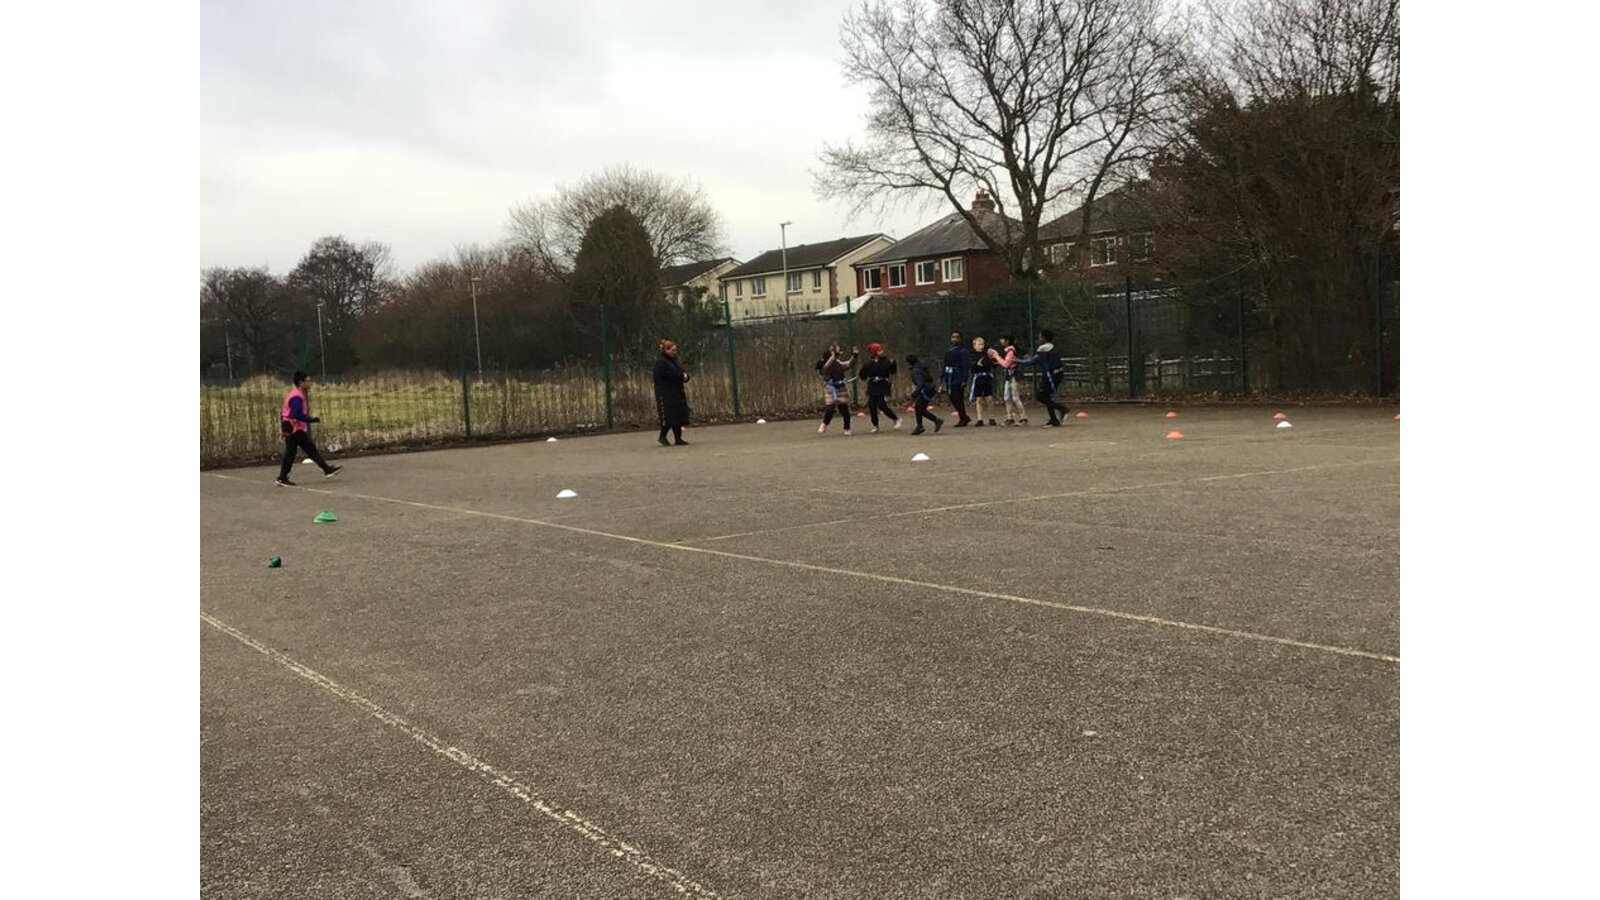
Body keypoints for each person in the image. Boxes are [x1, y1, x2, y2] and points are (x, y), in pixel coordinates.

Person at [276, 371, 341, 486]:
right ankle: (282, 478)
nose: (310, 383)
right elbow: (296, 414)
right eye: (308, 381)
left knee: (309, 450)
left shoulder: (297, 394)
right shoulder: (296, 396)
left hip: (295, 428)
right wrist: (311, 419)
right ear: (301, 382)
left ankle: (326, 469)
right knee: (293, 453)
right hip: (293, 428)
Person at [1020, 329, 1070, 426]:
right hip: (1058, 374)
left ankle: (1062, 408)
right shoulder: (1052, 347)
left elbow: (1032, 362)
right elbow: (1038, 359)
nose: (1038, 339)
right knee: (1046, 397)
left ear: (1044, 338)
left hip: (1050, 376)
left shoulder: (1043, 348)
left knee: (1040, 396)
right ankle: (1054, 419)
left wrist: (1016, 360)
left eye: (1040, 337)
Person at [653, 338, 691, 445]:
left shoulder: (674, 361)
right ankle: (662, 436)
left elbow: (682, 372)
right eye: (672, 350)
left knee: (678, 416)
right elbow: (667, 375)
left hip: (677, 392)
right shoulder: (661, 363)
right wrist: (681, 376)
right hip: (666, 394)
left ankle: (678, 438)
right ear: (665, 350)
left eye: (675, 350)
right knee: (669, 416)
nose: (674, 352)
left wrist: (686, 376)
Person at [858, 342, 901, 433]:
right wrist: (863, 370)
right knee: (872, 405)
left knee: (881, 404)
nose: (881, 352)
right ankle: (875, 425)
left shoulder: (885, 361)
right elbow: (863, 376)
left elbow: (892, 371)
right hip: (872, 386)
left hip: (883, 385)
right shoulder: (868, 363)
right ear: (874, 352)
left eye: (881, 350)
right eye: (879, 350)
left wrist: (893, 364)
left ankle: (896, 419)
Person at [816, 344, 858, 435]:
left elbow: (848, 364)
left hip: (841, 388)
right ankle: (824, 424)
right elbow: (827, 366)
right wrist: (834, 355)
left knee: (844, 410)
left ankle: (847, 428)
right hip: (831, 390)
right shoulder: (824, 367)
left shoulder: (838, 364)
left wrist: (854, 356)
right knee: (830, 409)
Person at [989, 335, 1028, 425]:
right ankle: (1009, 417)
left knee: (1015, 397)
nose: (1001, 341)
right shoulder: (1006, 351)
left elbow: (1006, 364)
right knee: (1007, 397)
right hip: (1008, 376)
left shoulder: (1011, 351)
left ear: (1007, 341)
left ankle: (1023, 418)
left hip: (1014, 376)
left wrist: (996, 356)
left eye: (1003, 339)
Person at [905, 354, 944, 434]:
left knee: (919, 407)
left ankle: (922, 426)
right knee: (920, 408)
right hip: (930, 388)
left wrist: (915, 393)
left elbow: (920, 383)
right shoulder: (921, 366)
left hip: (926, 390)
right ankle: (930, 423)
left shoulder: (916, 371)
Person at [941, 331, 973, 426]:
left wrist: (964, 379)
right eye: (953, 337)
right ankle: (963, 416)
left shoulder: (963, 351)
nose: (955, 339)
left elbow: (965, 365)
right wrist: (943, 374)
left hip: (958, 375)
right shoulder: (949, 349)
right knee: (952, 396)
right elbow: (945, 362)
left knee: (957, 397)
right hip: (949, 376)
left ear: (960, 339)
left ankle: (963, 417)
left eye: (957, 337)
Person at [968, 336, 998, 426]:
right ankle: (980, 418)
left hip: (987, 378)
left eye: (982, 344)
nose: (981, 346)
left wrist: (993, 360)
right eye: (979, 344)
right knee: (979, 399)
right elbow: (971, 367)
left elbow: (992, 365)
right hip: (978, 378)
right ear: (974, 346)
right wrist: (977, 364)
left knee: (989, 398)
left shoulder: (987, 354)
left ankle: (991, 417)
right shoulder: (972, 355)